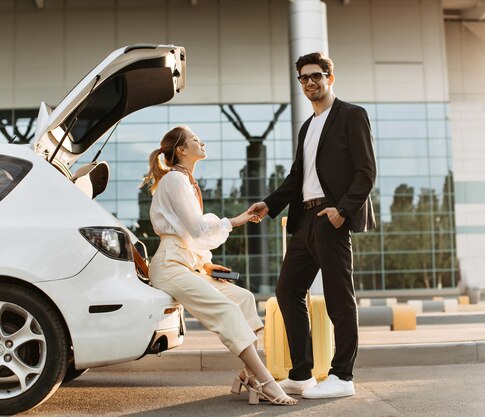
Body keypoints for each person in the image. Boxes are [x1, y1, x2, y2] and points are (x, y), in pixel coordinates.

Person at [247, 52, 376, 399]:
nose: (309, 83)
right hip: (304, 221)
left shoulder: (352, 115)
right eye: (303, 78)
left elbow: (366, 172)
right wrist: (270, 203)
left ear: (330, 77)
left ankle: (342, 377)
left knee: (338, 299)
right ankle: (302, 374)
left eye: (316, 76)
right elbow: (296, 177)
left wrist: (342, 211)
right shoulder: (308, 126)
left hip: (331, 220)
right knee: (287, 291)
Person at [141, 125, 297, 406]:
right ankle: (265, 381)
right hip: (170, 265)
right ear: (181, 150)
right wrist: (236, 220)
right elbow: (197, 229)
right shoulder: (174, 180)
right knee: (226, 309)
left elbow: (193, 239)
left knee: (243, 298)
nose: (202, 143)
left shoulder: (186, 182)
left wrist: (208, 266)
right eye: (195, 140)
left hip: (188, 263)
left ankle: (249, 375)